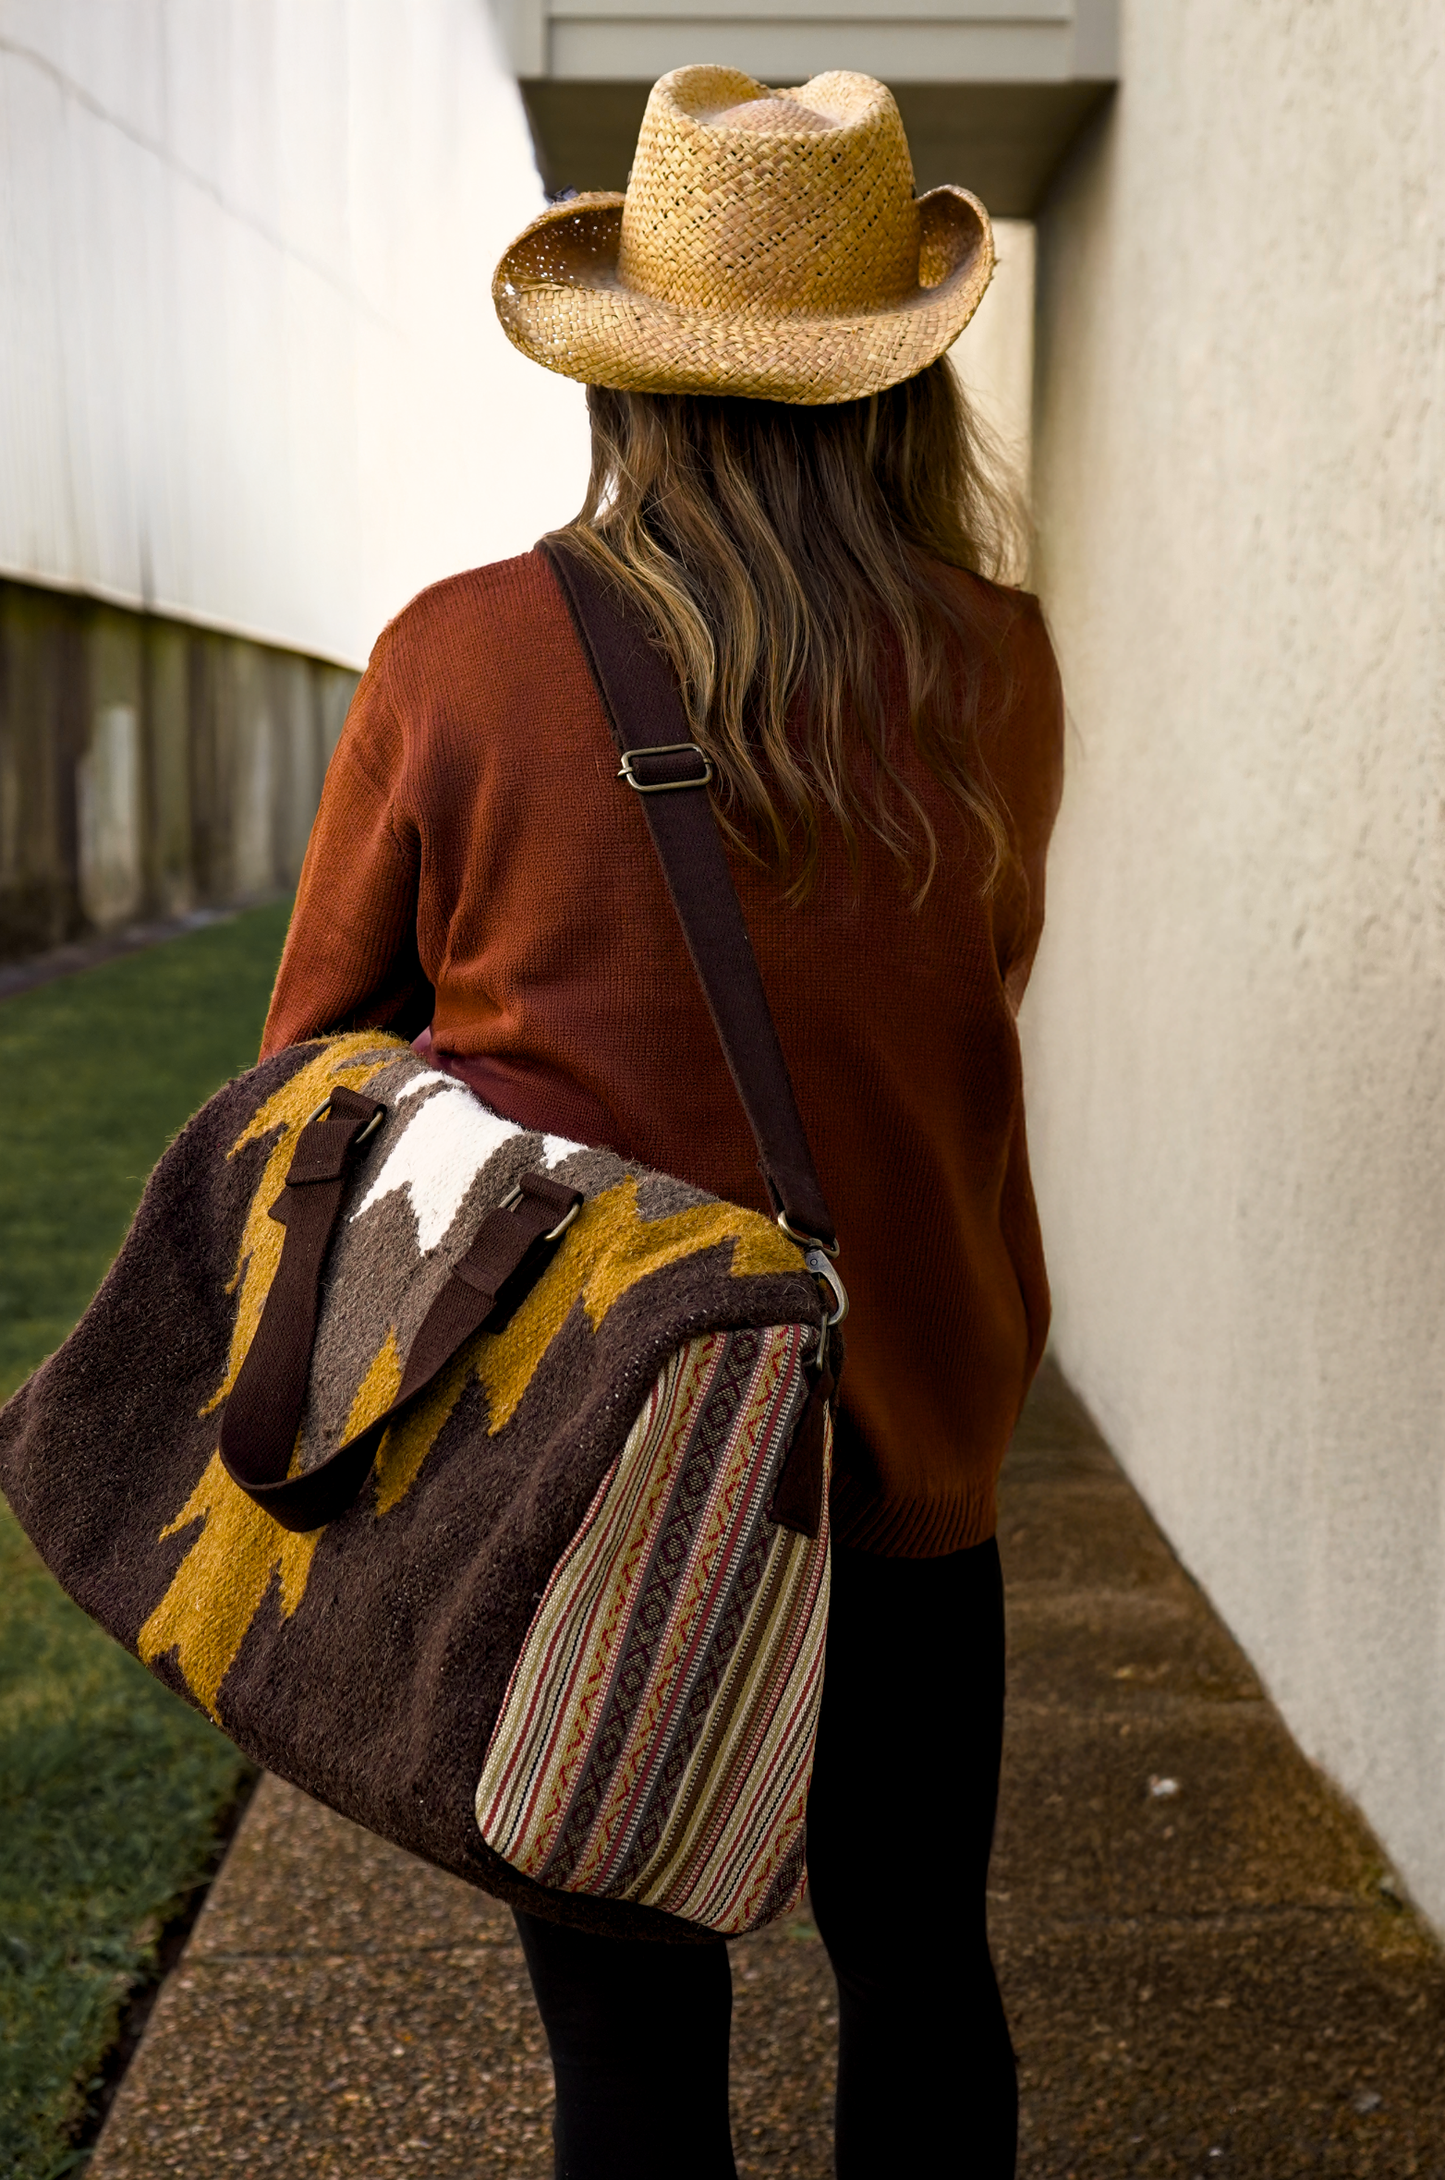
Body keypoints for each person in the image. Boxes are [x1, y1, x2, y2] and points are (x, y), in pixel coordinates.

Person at [262, 63, 1062, 2180]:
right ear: (893, 388)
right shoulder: (992, 665)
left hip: (584, 1449)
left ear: (629, 377)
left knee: (625, 2051)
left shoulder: (453, 658)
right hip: (900, 1428)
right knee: (918, 1970)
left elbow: (307, 1073)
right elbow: (970, 993)